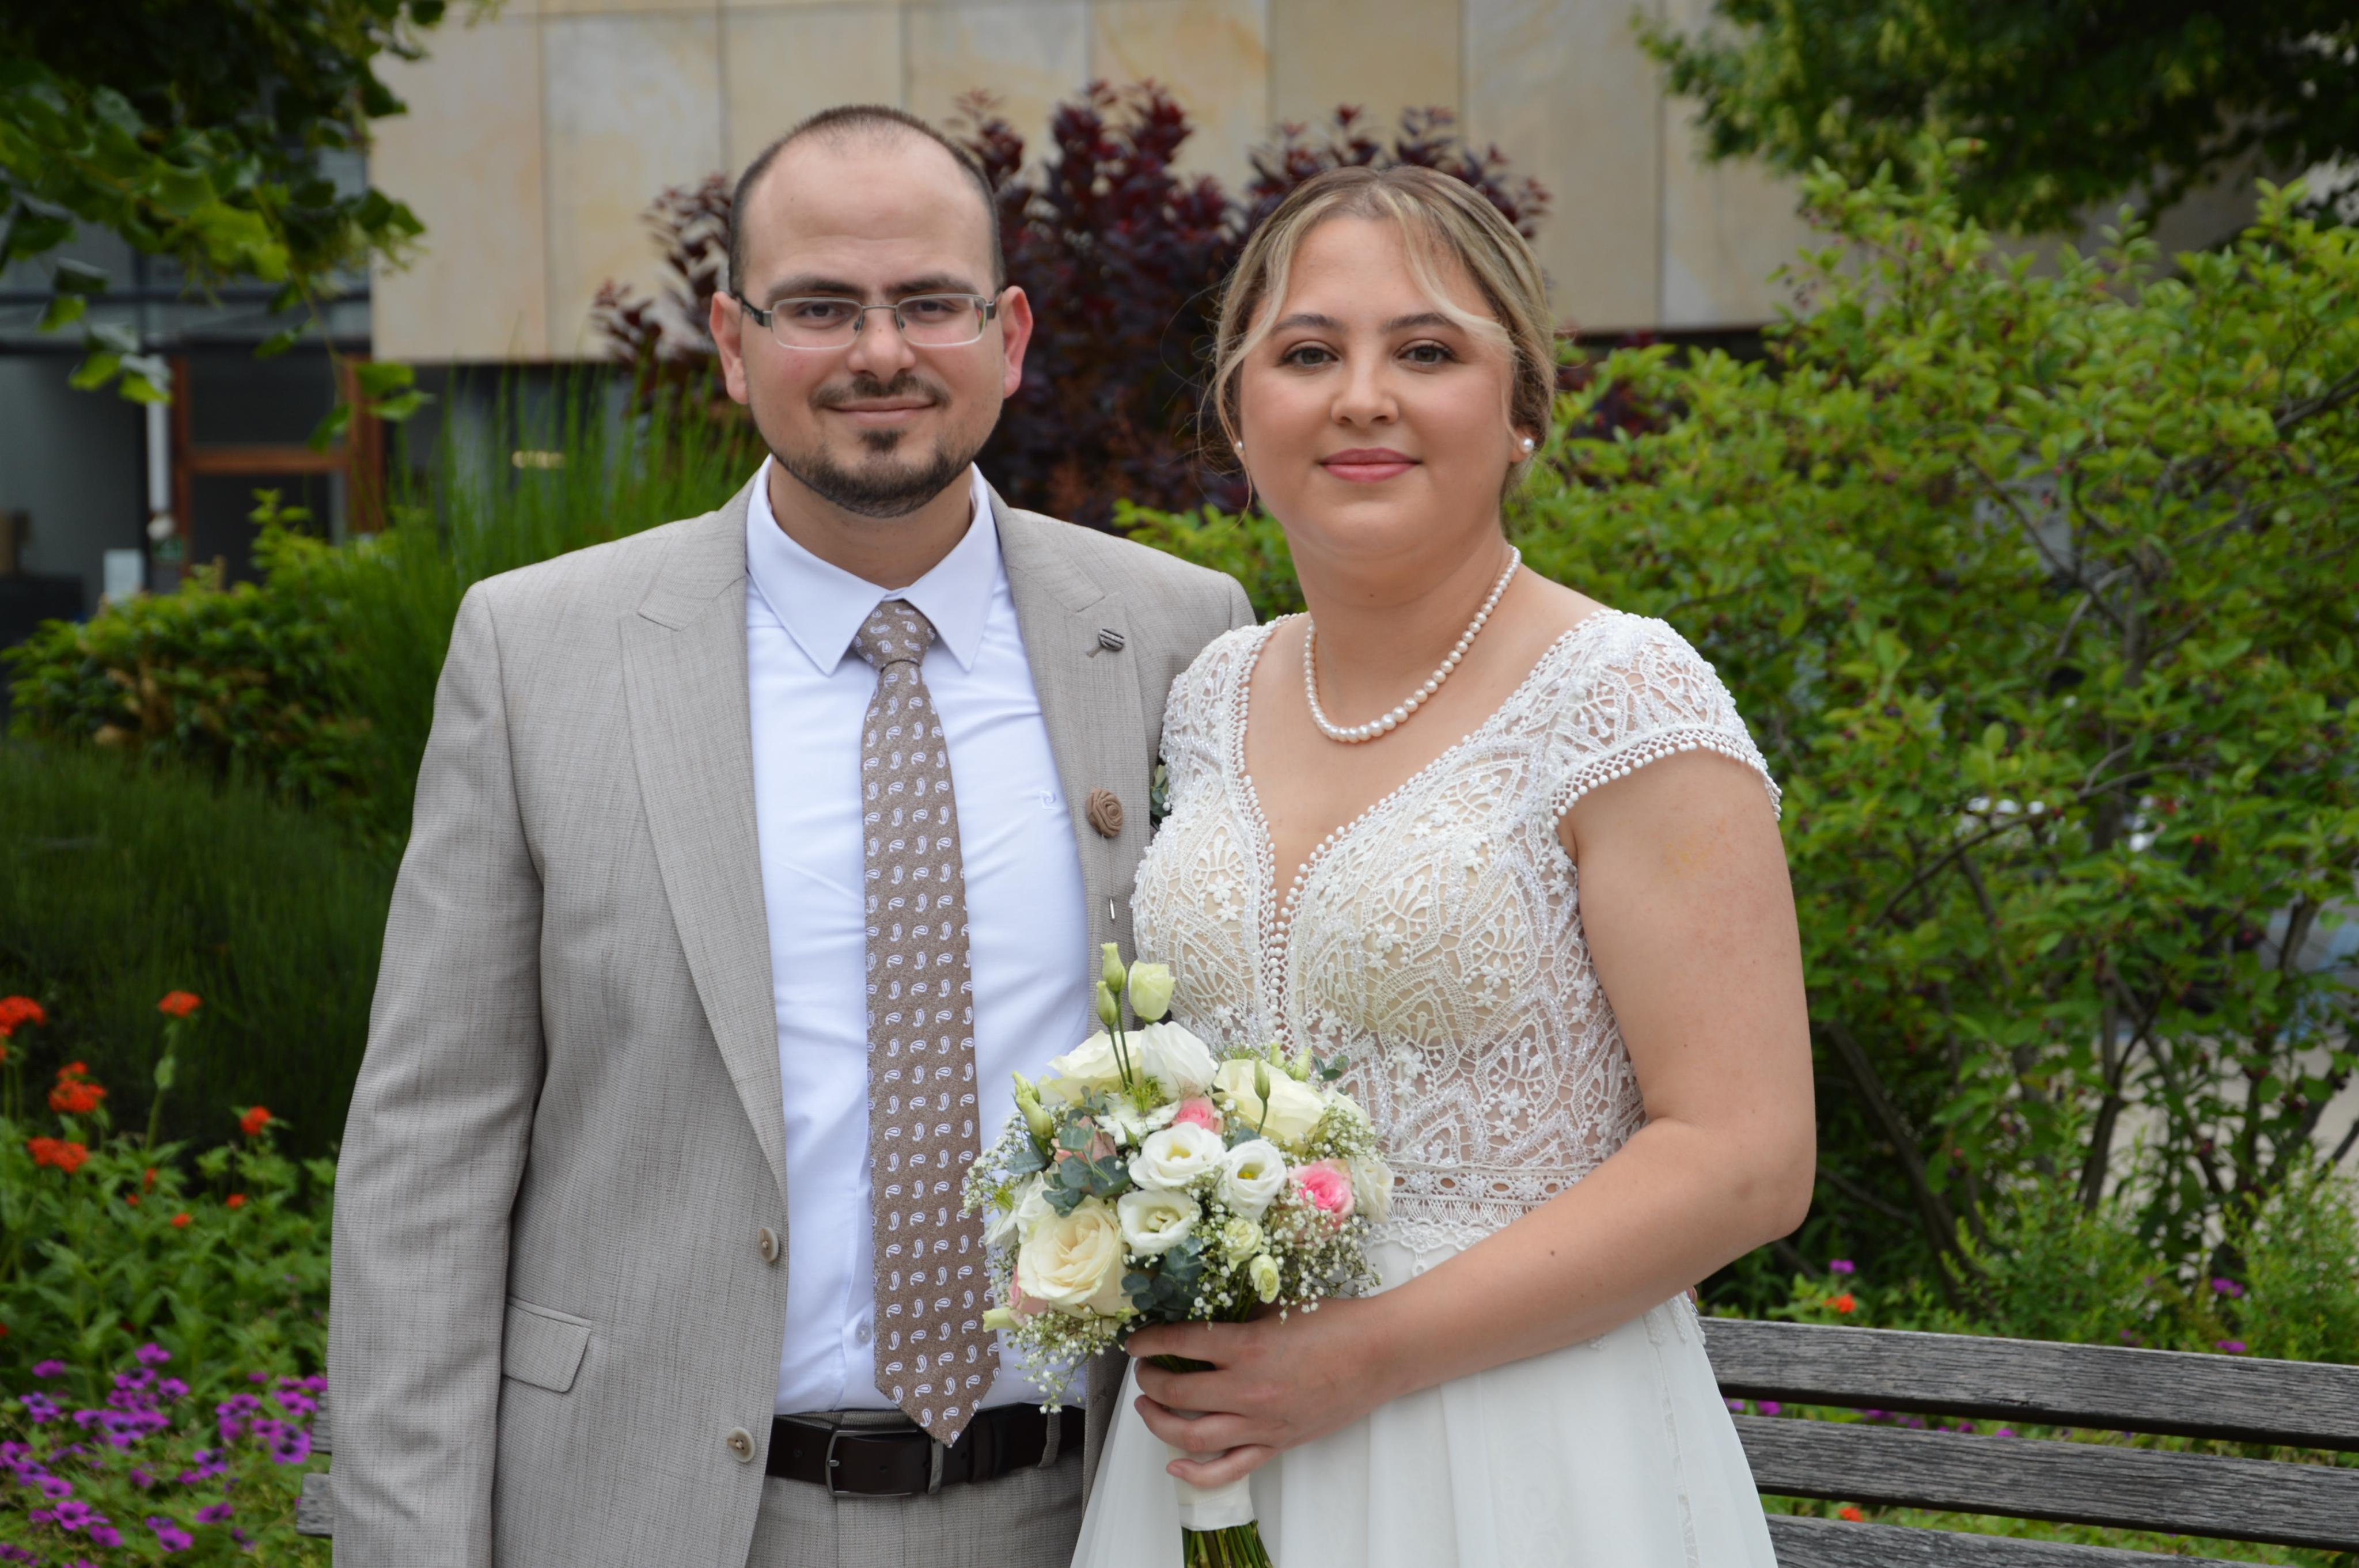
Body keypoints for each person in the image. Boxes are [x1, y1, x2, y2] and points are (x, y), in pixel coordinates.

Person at [328, 105, 1250, 1568]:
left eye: (929, 302)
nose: (880, 352)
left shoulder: (1177, 636)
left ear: (1007, 335)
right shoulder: (538, 650)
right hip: (652, 1516)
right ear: (732, 339)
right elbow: (426, 1156)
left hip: (1080, 1514)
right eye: (819, 306)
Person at [1070, 165, 1815, 1566]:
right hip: (1217, 1453)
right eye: (1307, 354)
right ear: (1238, 417)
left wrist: (1362, 1357)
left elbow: (1746, 1159)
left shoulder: (1621, 694)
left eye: (1424, 351)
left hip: (1519, 1446)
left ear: (1521, 407)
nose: (1362, 397)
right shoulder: (1214, 692)